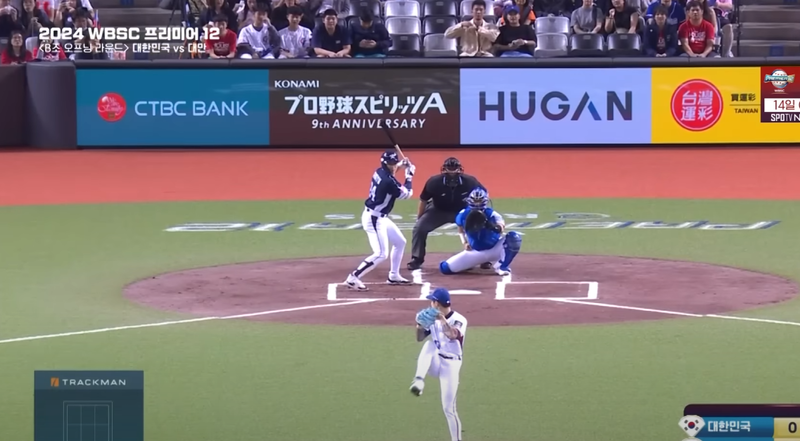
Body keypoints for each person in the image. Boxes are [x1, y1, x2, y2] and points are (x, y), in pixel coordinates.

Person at [343, 150, 415, 291]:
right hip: (374, 219)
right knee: (381, 254)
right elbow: (407, 194)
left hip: (380, 217)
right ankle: (353, 278)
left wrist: (401, 165)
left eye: (394, 163)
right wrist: (409, 176)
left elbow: (391, 174)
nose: (393, 166)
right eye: (391, 164)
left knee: (400, 242)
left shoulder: (379, 172)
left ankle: (394, 276)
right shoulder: (388, 182)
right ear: (385, 164)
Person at [410, 287, 468, 441]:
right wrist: (419, 326)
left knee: (449, 409)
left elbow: (452, 334)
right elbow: (419, 338)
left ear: (436, 303)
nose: (430, 304)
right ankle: (419, 380)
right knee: (429, 345)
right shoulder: (432, 319)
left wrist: (441, 319)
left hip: (451, 366)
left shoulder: (460, 319)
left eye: (432, 301)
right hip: (435, 361)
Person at [407, 157, 485, 271]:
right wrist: (419, 218)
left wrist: (478, 212)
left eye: (454, 168)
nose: (452, 172)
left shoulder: (470, 182)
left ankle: (483, 258)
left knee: (481, 227)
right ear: (444, 169)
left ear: (460, 169)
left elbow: (483, 194)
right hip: (438, 210)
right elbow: (423, 200)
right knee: (419, 228)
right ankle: (417, 259)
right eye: (449, 168)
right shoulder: (434, 182)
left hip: (463, 211)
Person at [439, 187, 522, 276]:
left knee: (514, 237)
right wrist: (465, 242)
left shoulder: (492, 214)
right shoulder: (463, 214)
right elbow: (460, 229)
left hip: (494, 249)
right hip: (475, 252)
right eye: (475, 201)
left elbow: (501, 227)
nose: (477, 204)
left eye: (479, 201)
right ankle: (470, 264)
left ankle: (502, 266)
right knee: (445, 268)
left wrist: (492, 226)